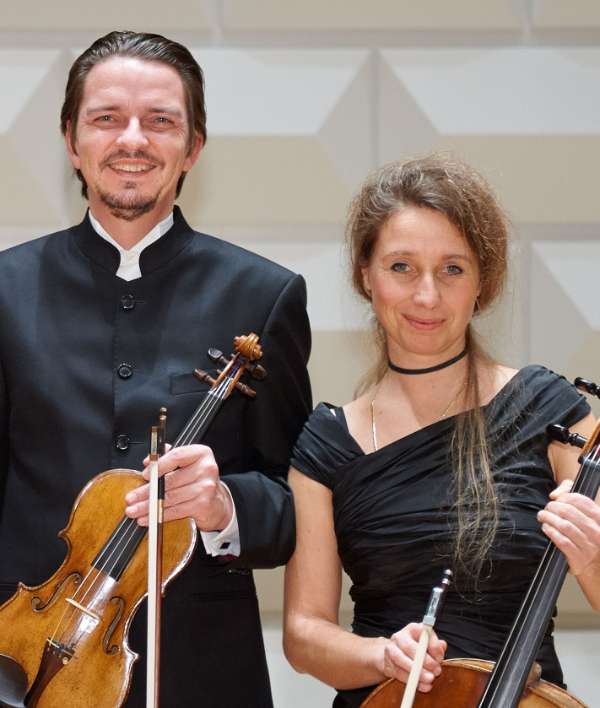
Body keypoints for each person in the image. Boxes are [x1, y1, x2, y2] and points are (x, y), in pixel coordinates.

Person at [0, 31, 311, 707]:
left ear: (194, 147)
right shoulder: (4, 289)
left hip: (200, 671)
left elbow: (295, 506)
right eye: (106, 118)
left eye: (161, 121)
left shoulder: (264, 296)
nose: (132, 140)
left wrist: (225, 504)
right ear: (70, 140)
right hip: (24, 671)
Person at [283, 155, 600, 707]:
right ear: (366, 275)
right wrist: (380, 655)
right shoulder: (327, 441)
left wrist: (592, 557)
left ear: (483, 280)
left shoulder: (550, 411)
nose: (426, 296)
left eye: (452, 269)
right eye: (401, 267)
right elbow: (304, 633)